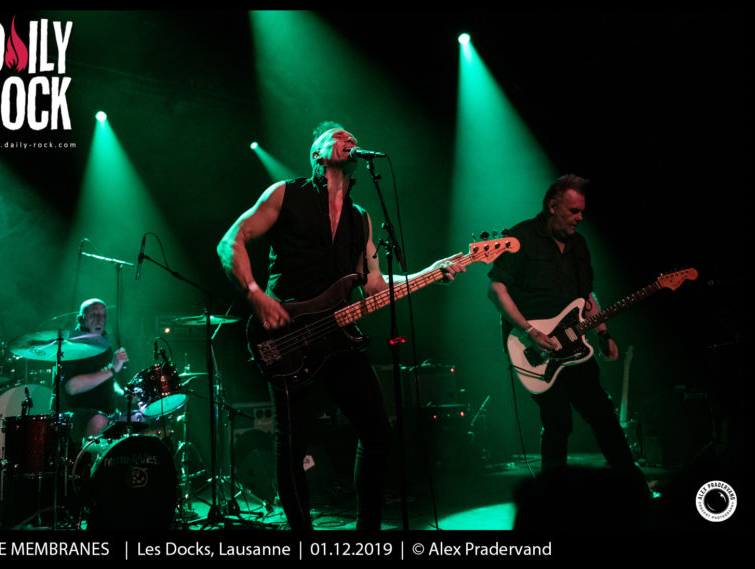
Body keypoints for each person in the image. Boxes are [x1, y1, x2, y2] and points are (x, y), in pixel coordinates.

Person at [217, 121, 464, 530]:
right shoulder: (285, 194)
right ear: (316, 154)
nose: (350, 139)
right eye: (338, 136)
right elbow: (230, 241)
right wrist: (255, 294)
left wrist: (430, 272)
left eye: (352, 136)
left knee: (378, 434)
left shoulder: (360, 218)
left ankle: (367, 533)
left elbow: (374, 285)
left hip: (338, 338)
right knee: (292, 445)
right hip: (286, 335)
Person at [488, 174, 646, 487]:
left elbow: (586, 298)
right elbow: (496, 289)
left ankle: (634, 486)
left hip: (575, 346)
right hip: (534, 348)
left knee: (603, 415)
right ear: (552, 206)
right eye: (574, 211)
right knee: (558, 422)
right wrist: (529, 331)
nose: (580, 217)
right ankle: (550, 500)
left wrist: (603, 333)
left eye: (582, 211)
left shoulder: (579, 245)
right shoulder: (521, 237)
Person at [58, 298, 128, 445]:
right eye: (94, 315)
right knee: (99, 421)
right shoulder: (71, 346)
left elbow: (107, 380)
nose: (99, 319)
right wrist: (112, 369)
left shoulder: (105, 346)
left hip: (105, 411)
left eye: (103, 315)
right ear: (80, 319)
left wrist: (124, 394)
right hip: (74, 414)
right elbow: (72, 387)